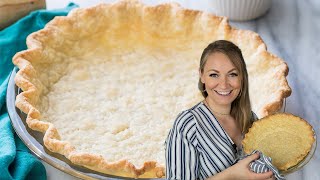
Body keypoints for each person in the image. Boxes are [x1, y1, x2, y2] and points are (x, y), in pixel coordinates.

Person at [165, 40, 274, 180]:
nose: (223, 84)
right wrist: (232, 174)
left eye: (232, 74)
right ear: (202, 75)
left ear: (242, 78)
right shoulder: (188, 124)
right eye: (214, 75)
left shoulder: (251, 119)